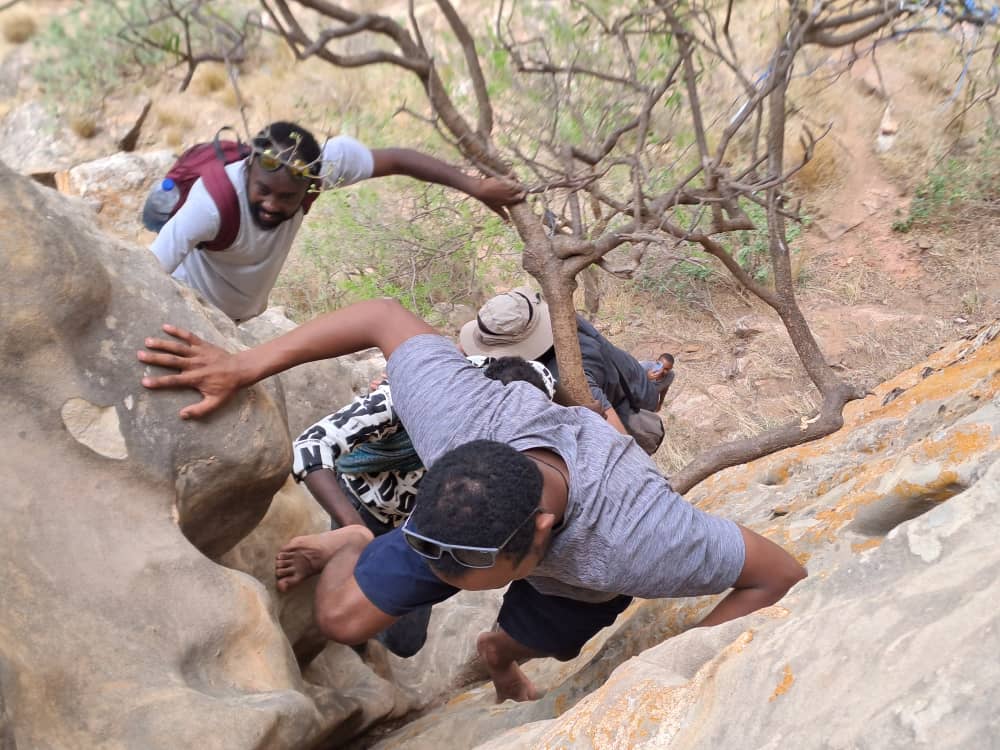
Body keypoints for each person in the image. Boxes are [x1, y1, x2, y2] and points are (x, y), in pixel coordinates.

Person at [138, 298, 807, 703]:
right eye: (433, 556)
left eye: (459, 573)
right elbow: (381, 317)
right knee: (342, 620)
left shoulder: (638, 544)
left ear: (539, 535)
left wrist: (677, 666)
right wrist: (246, 363)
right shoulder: (458, 421)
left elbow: (779, 574)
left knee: (522, 642)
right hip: (466, 520)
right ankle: (358, 539)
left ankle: (499, 658)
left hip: (572, 580)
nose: (441, 573)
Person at [291, 355, 556, 657]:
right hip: (362, 507)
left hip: (428, 523)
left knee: (406, 642)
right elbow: (309, 444)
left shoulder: (533, 386)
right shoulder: (411, 399)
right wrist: (354, 527)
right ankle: (349, 544)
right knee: (352, 617)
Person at [150, 121, 522, 323]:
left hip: (241, 318)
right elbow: (151, 268)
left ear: (312, 184)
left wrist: (475, 187)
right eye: (263, 190)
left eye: (287, 197)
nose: (271, 204)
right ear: (248, 169)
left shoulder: (320, 167)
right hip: (193, 310)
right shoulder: (211, 203)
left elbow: (397, 159)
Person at [459, 288, 663, 437]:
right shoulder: (563, 318)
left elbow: (619, 440)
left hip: (636, 401)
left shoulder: (568, 377)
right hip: (626, 372)